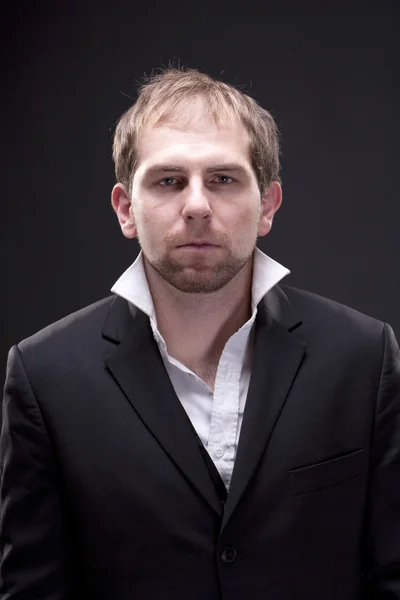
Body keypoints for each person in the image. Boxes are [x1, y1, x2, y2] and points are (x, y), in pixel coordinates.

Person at [1, 66, 400, 600]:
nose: (196, 205)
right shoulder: (43, 374)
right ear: (125, 209)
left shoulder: (364, 356)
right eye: (169, 181)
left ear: (268, 207)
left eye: (223, 179)